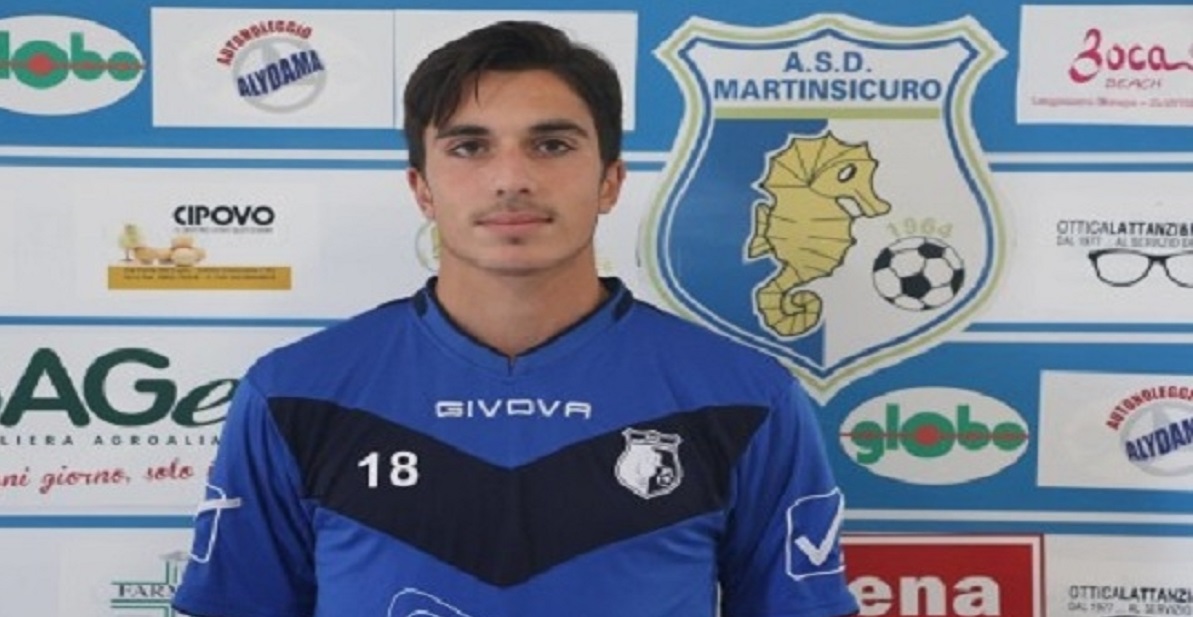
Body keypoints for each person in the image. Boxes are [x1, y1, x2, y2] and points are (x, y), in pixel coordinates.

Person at [172, 20, 859, 617]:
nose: (511, 179)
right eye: (469, 147)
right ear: (421, 188)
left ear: (610, 181)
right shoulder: (296, 393)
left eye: (551, 145)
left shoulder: (743, 396)